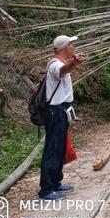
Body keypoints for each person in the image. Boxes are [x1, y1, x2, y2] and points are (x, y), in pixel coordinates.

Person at [39, 35, 84, 201]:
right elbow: (62, 72)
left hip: (62, 111)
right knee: (53, 149)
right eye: (71, 44)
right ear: (65, 47)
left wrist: (71, 63)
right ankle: (46, 189)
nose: (73, 46)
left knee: (59, 149)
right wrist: (74, 63)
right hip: (55, 112)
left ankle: (56, 182)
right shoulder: (55, 64)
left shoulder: (61, 63)